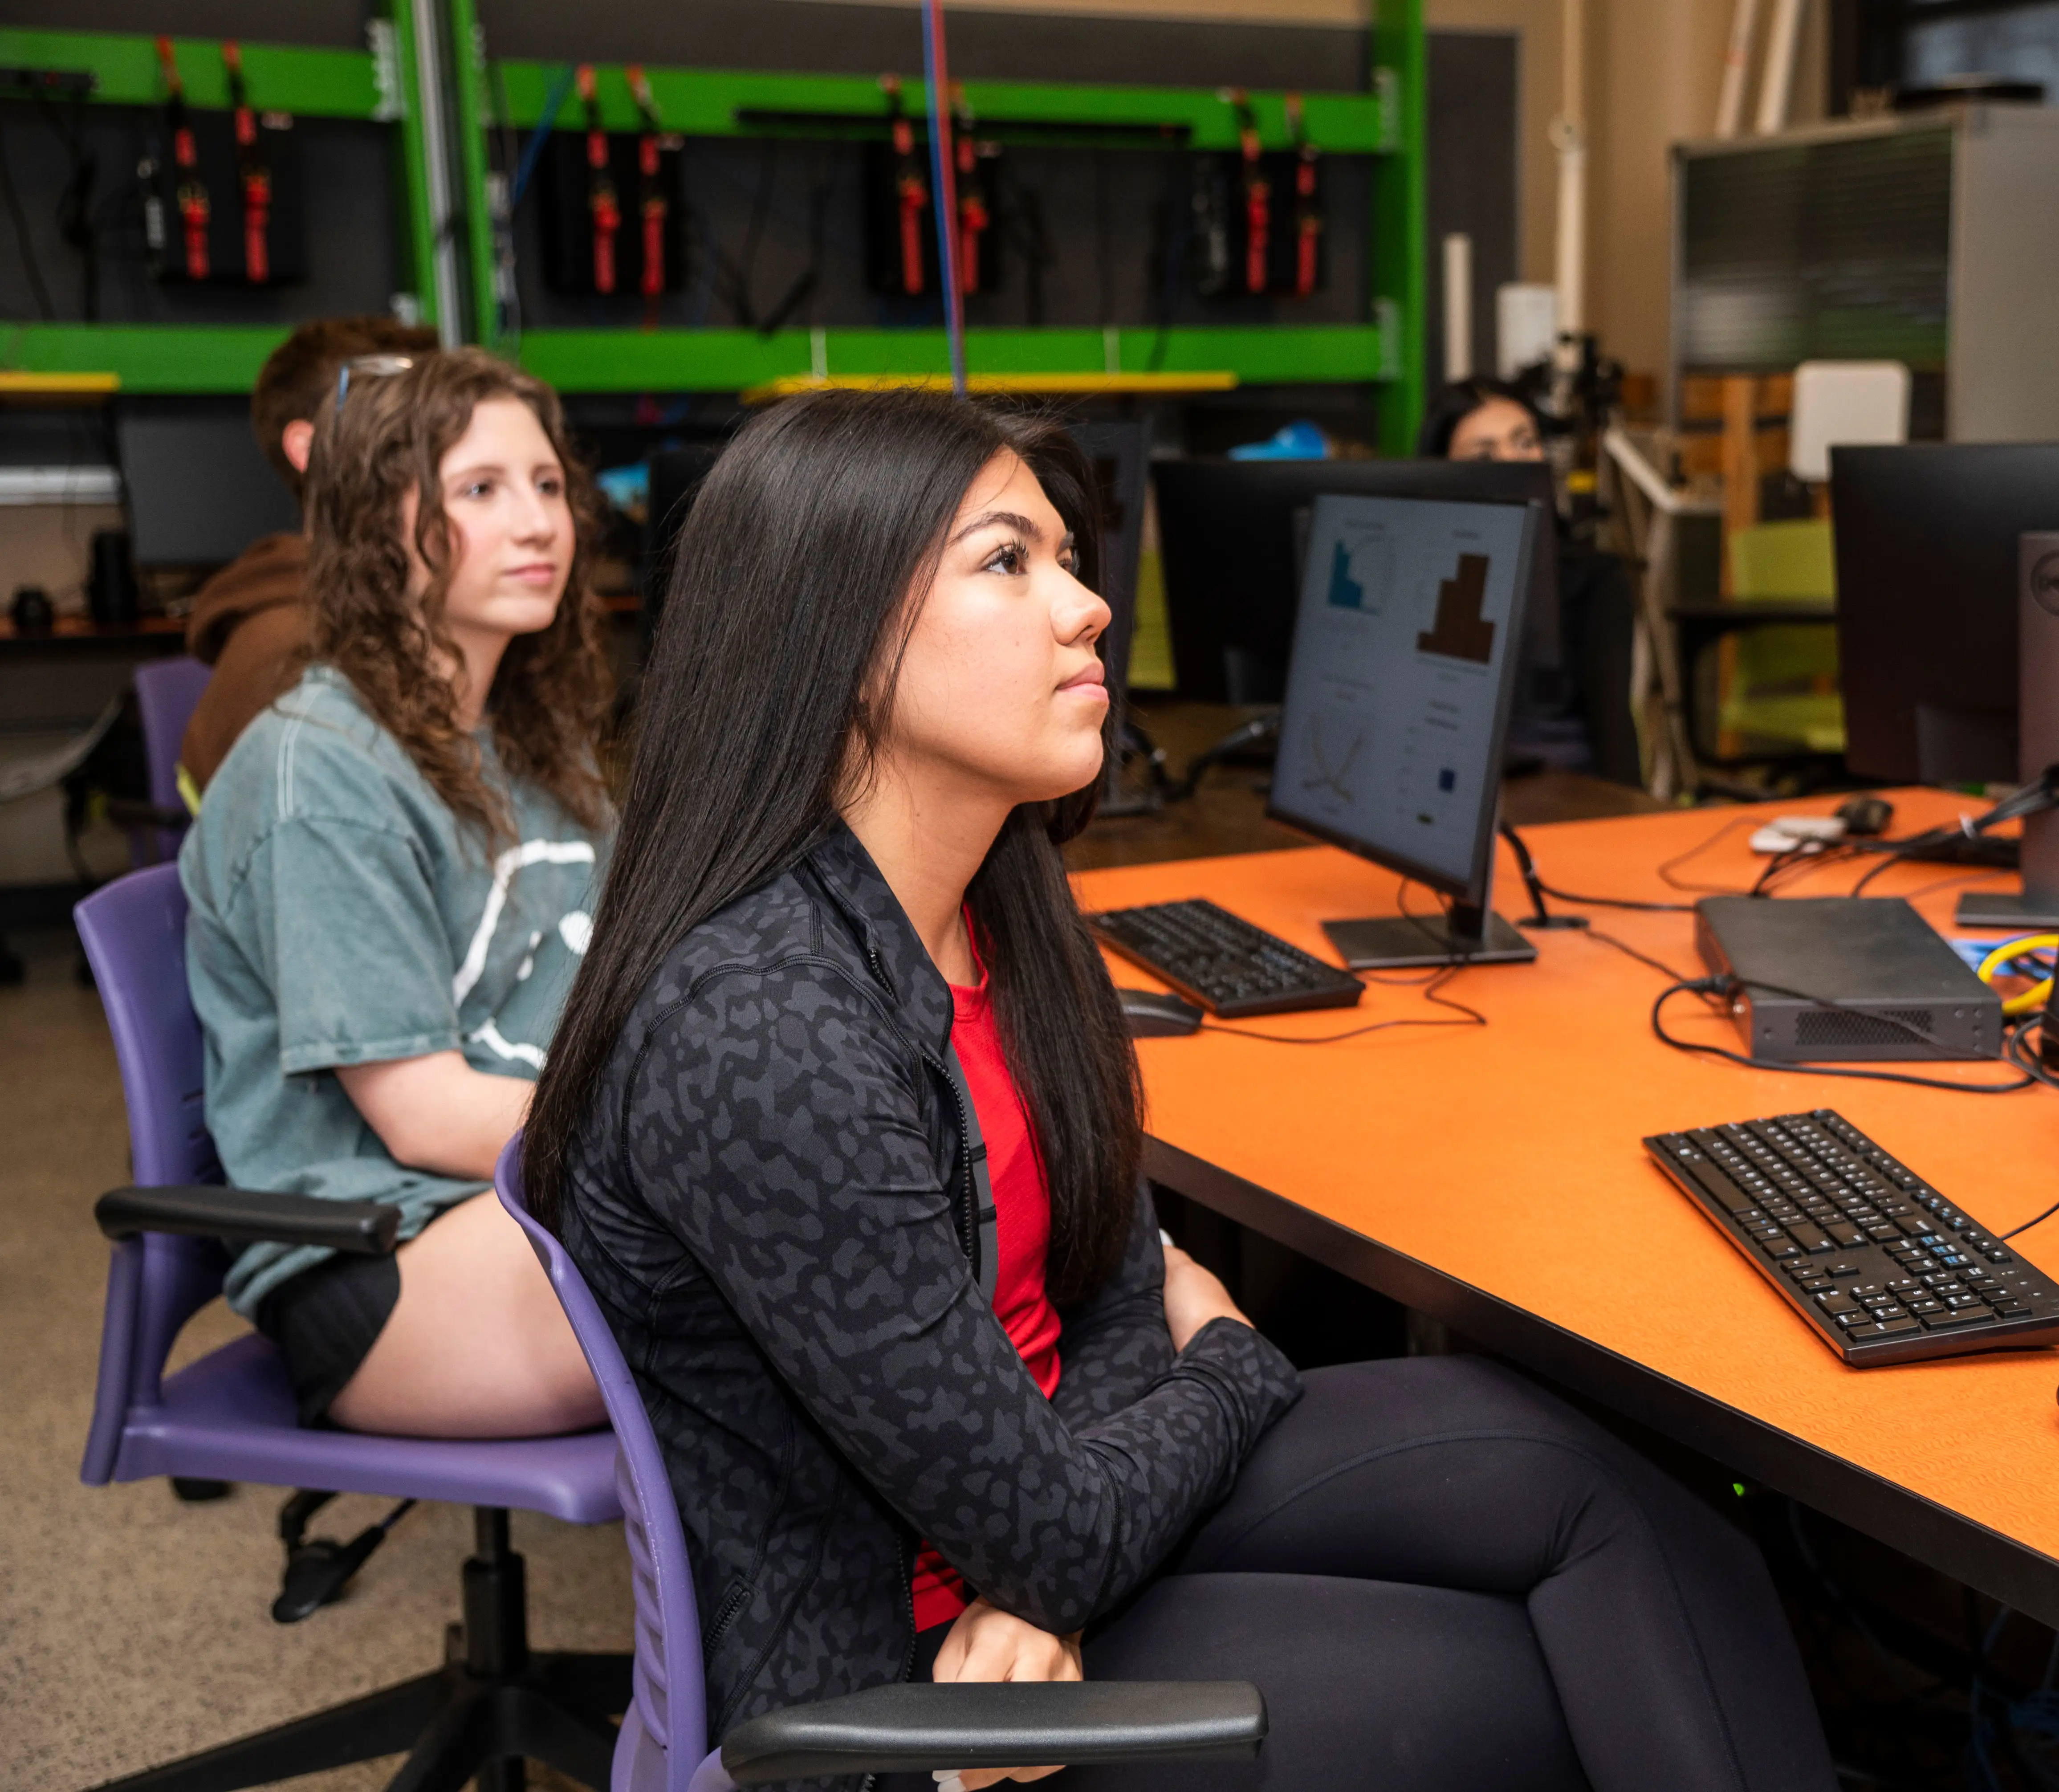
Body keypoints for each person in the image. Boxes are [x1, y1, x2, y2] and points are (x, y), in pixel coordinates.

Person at [523, 389, 1834, 1791]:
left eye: (1067, 558)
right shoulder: (761, 1029)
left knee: (1635, 1504)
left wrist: (1058, 1532)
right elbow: (1095, 1448)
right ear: (837, 636)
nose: (1088, 607)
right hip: (907, 1675)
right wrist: (1225, 1367)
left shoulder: (996, 900)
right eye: (1007, 561)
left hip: (1044, 1518)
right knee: (1556, 1685)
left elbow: (1111, 1278)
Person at [180, 348, 612, 1438]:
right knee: (782, 1243)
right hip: (383, 1251)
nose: (537, 523)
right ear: (380, 527)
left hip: (523, 1200)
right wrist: (674, 1132)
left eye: (548, 483)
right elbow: (425, 1115)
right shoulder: (321, 770)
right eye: (480, 490)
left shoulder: (530, 733)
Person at [179, 315, 440, 806]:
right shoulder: (289, 657)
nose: (445, 454)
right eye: (409, 432)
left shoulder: (409, 615)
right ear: (311, 449)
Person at [1420, 376, 1641, 785]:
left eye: (1524, 442)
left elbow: (1614, 733)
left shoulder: (1593, 578)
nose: (1515, 462)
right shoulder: (1420, 574)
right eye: (1485, 456)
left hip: (1559, 790)